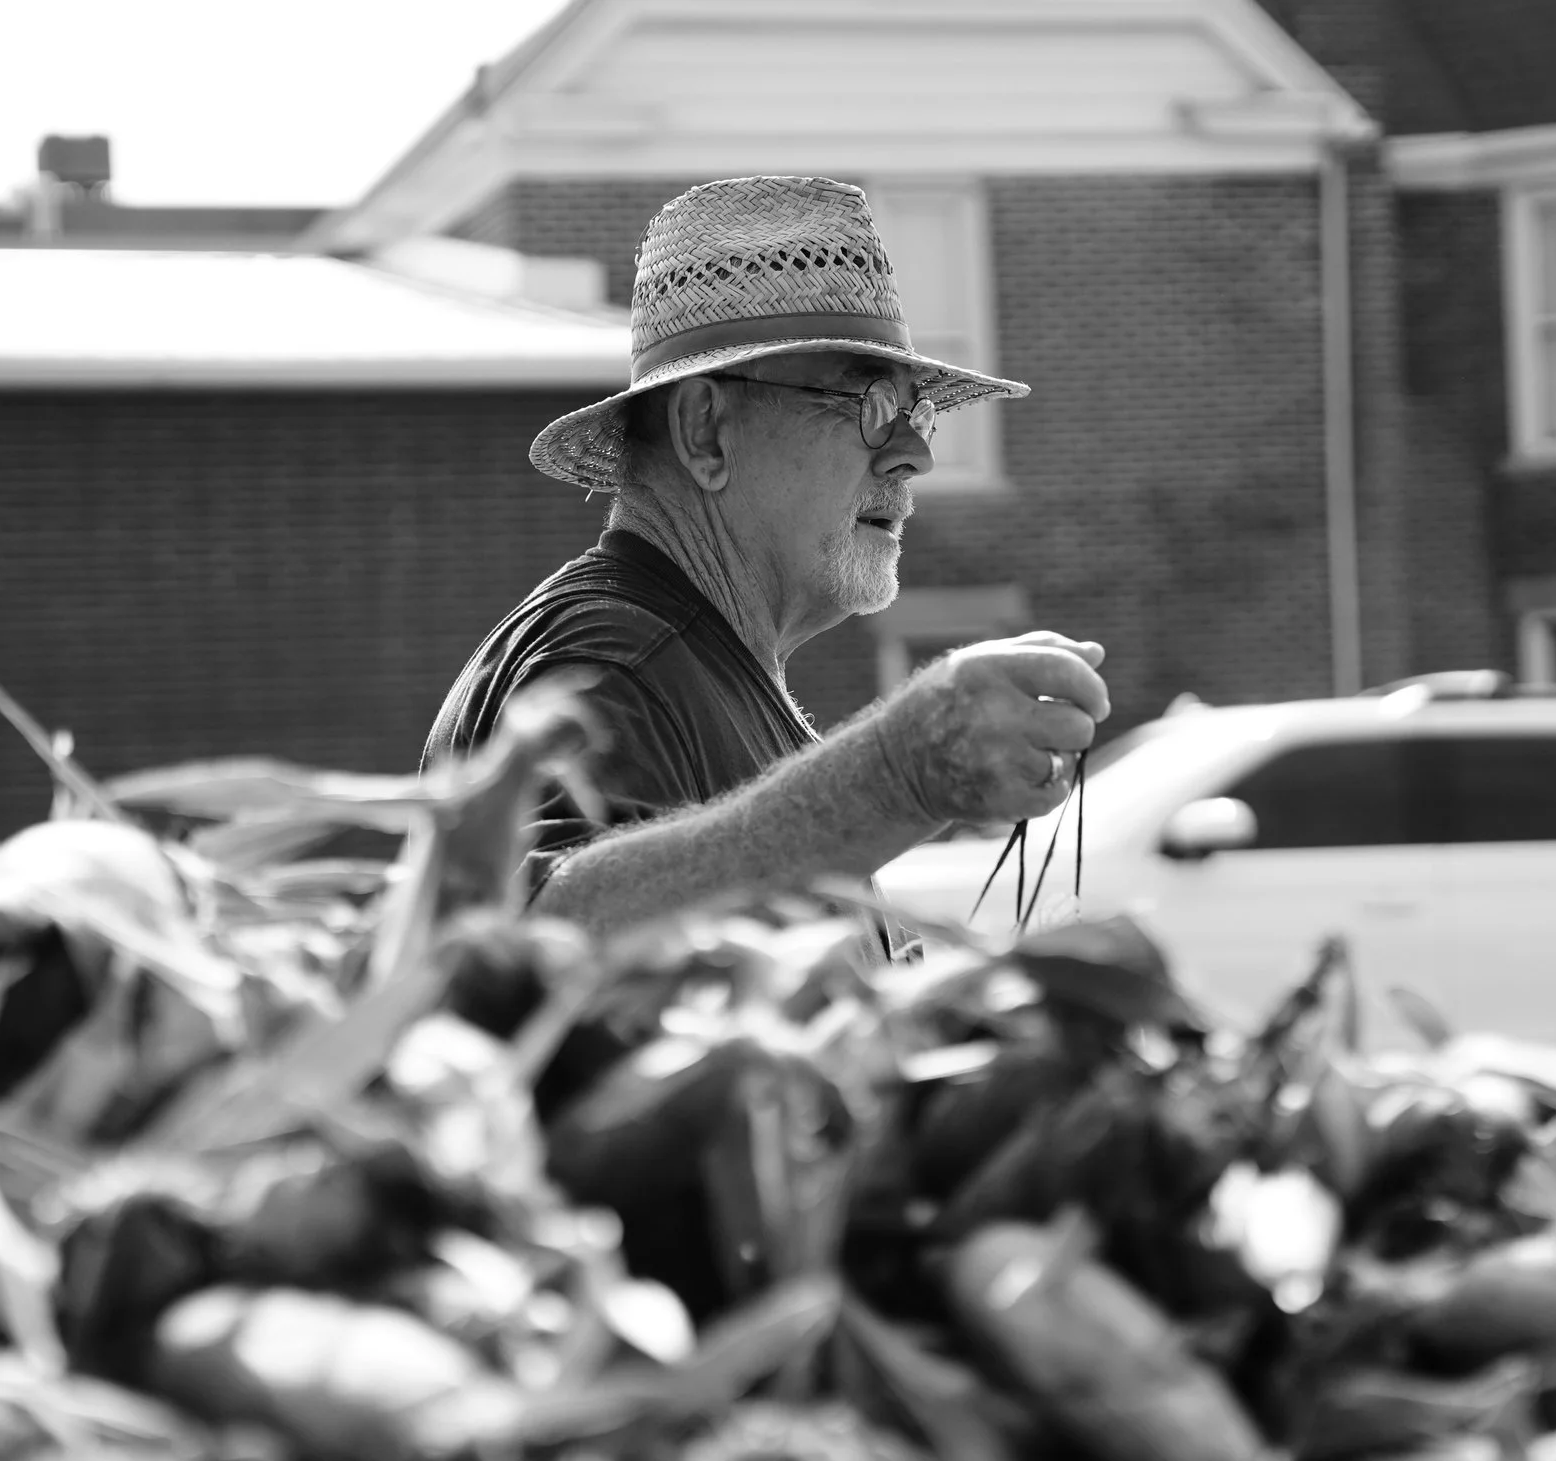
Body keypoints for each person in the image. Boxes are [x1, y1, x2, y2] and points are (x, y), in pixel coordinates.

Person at [423, 176, 1109, 943]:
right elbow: (539, 945)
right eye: (872, 406)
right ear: (707, 431)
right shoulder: (608, 662)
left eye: (917, 413)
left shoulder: (692, 662)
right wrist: (896, 775)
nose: (914, 454)